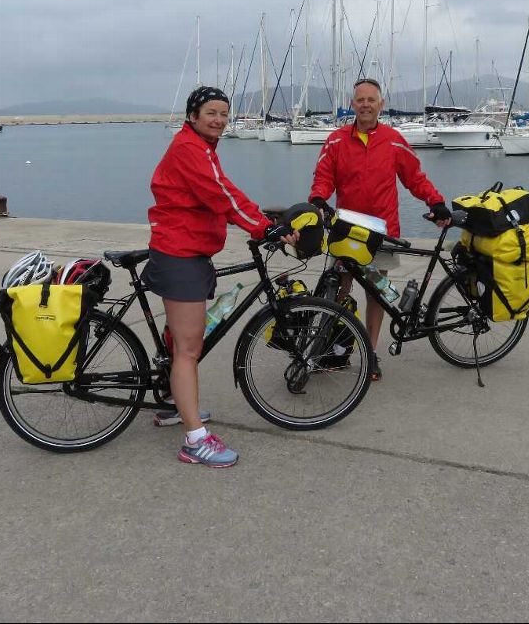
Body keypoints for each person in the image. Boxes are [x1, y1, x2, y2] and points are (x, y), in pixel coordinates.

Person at [143, 85, 297, 467]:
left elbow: (226, 191)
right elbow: (220, 197)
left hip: (186, 250)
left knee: (181, 341)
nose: (219, 120)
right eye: (211, 112)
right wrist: (264, 229)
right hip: (180, 253)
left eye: (224, 114)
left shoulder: (199, 147)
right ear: (193, 116)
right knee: (189, 349)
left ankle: (174, 400)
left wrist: (264, 220)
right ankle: (195, 441)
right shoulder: (190, 149)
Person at [308, 78, 451, 380]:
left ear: (381, 104)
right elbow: (323, 177)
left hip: (381, 233)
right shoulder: (335, 140)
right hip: (346, 230)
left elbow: (415, 179)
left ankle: (370, 354)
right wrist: (319, 198)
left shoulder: (394, 140)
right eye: (360, 99)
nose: (365, 105)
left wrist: (435, 202)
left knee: (376, 295)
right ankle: (336, 350)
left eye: (371, 100)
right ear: (352, 104)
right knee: (339, 293)